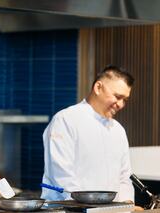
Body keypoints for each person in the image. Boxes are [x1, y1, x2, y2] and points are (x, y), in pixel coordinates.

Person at [41, 65, 137, 204]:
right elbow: (61, 175)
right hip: (68, 208)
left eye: (125, 100)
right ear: (98, 87)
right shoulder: (66, 120)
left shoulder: (118, 130)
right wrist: (90, 207)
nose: (121, 104)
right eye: (117, 97)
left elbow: (124, 176)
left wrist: (126, 204)